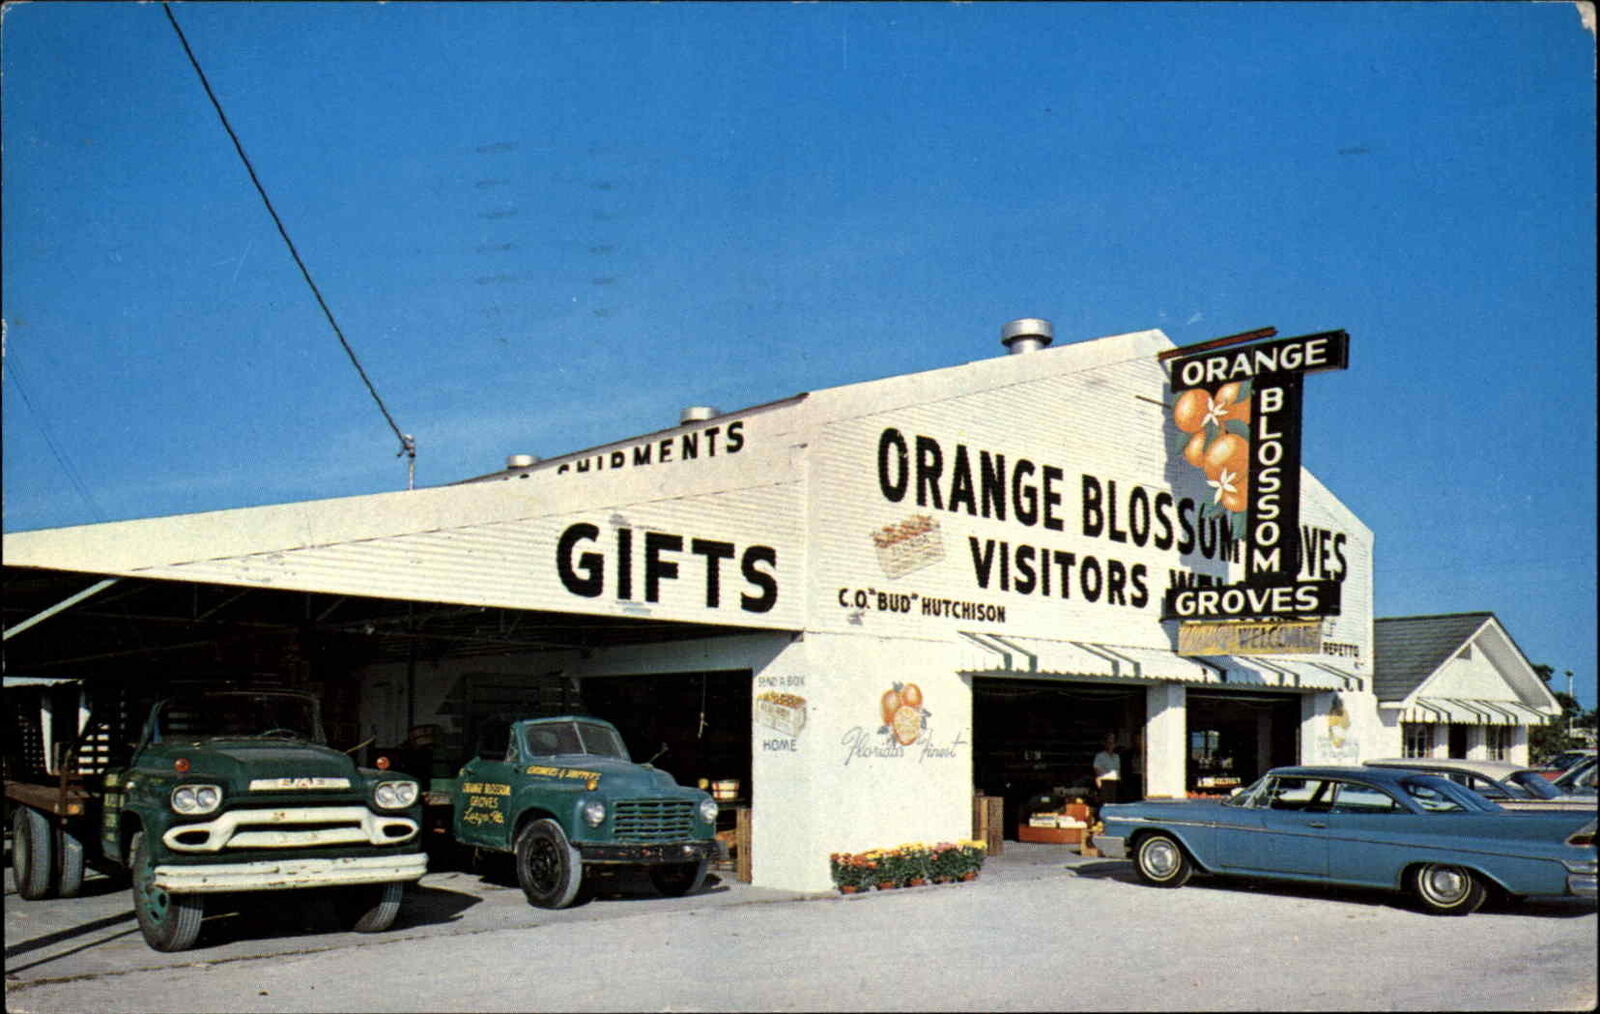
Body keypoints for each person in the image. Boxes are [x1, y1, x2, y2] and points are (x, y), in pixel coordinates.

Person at [1093, 733, 1122, 804]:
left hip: (1115, 782)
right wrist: (1099, 779)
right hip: (1104, 781)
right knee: (1105, 802)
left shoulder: (1117, 756)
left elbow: (1118, 769)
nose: (1110, 745)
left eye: (1112, 743)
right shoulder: (1100, 756)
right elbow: (1096, 768)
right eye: (1109, 743)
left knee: (1113, 802)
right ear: (1105, 744)